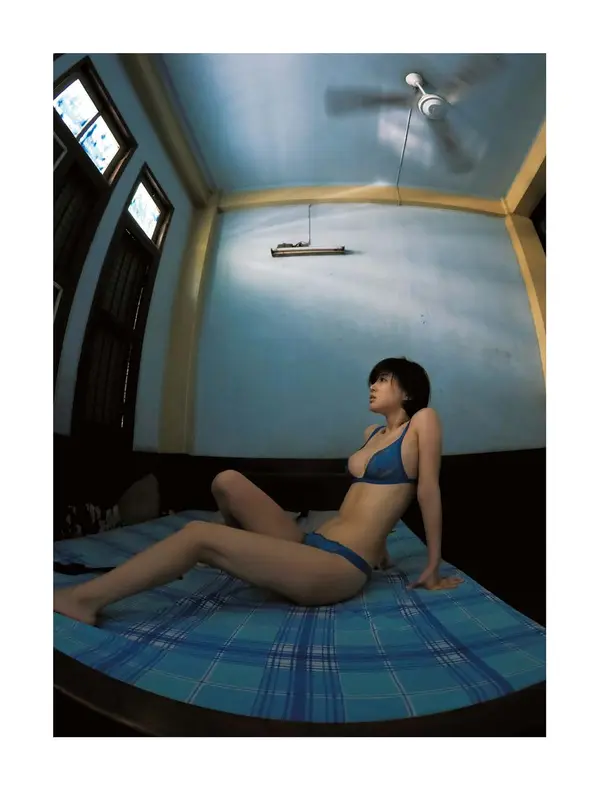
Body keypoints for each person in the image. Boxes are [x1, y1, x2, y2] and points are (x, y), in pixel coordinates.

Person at [54, 357, 462, 626]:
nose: (372, 385)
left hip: (338, 567)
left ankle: (85, 600)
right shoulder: (371, 432)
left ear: (408, 391)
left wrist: (433, 564)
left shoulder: (423, 421)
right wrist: (383, 549)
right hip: (311, 544)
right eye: (372, 379)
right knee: (227, 480)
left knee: (198, 535)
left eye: (383, 379)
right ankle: (241, 558)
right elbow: (371, 500)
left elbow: (425, 491)